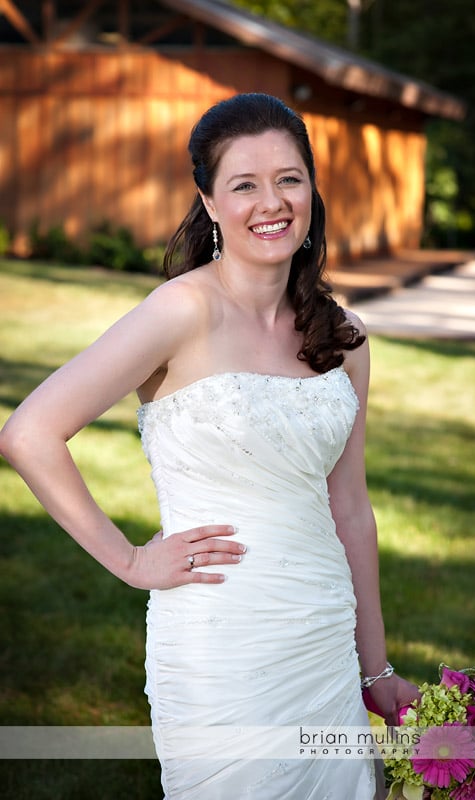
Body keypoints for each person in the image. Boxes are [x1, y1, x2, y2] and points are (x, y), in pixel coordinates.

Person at [0, 93, 418, 799]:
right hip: (221, 639)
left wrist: (372, 670)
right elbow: (30, 433)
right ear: (209, 200)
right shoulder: (181, 311)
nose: (272, 202)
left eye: (289, 178)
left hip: (321, 633)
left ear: (312, 187)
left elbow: (350, 508)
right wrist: (130, 560)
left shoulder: (343, 336)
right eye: (244, 184)